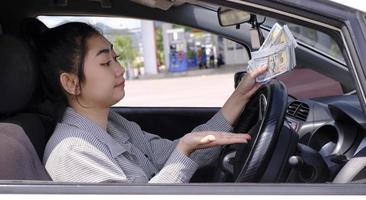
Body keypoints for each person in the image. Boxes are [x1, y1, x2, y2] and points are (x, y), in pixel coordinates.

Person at [39, 22, 267, 183]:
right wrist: (184, 147)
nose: (120, 69)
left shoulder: (114, 125)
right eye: (105, 63)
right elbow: (180, 154)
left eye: (115, 58)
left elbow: (172, 156)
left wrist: (240, 96)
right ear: (71, 82)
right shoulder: (73, 152)